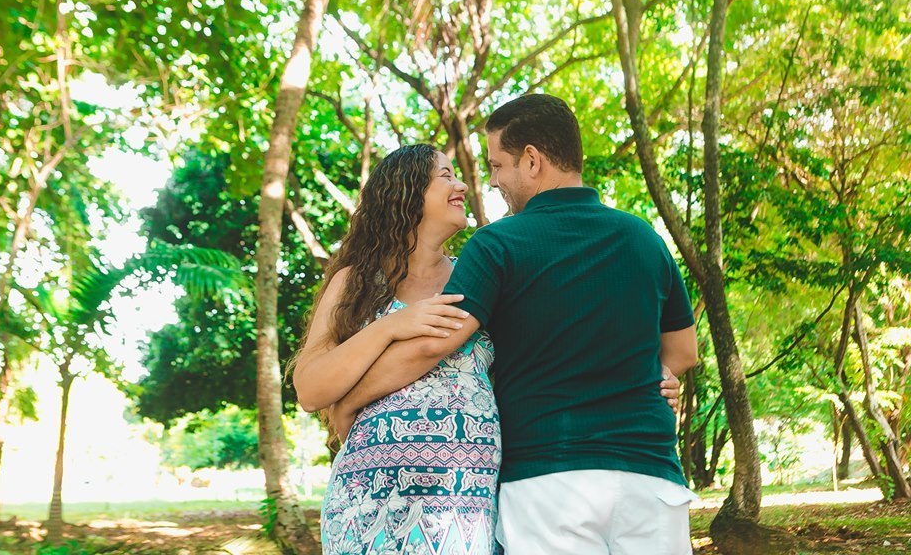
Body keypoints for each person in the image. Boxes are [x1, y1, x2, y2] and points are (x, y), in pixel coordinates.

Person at [333, 94, 699, 555]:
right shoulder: (644, 238)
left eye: (497, 166)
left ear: (531, 160)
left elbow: (434, 344)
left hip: (549, 483)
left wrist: (352, 400)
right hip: (651, 476)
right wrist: (660, 378)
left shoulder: (498, 243)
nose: (492, 181)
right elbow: (684, 352)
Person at [292, 145, 503, 554]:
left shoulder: (478, 277)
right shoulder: (354, 283)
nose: (461, 185)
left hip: (463, 503)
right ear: (407, 191)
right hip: (366, 503)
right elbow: (310, 390)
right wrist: (390, 326)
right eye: (445, 175)